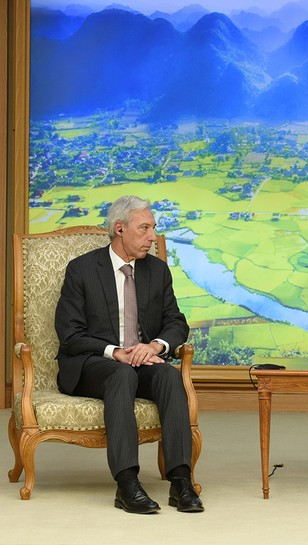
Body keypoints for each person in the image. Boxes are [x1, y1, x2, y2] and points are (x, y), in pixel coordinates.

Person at [55, 195, 203, 514]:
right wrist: (115, 352)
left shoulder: (157, 271)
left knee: (167, 374)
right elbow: (69, 335)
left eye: (153, 228)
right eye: (145, 228)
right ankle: (127, 484)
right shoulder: (82, 270)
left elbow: (176, 322)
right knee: (121, 373)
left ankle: (181, 482)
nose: (152, 236)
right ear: (120, 229)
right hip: (93, 365)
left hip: (141, 361)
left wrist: (155, 346)